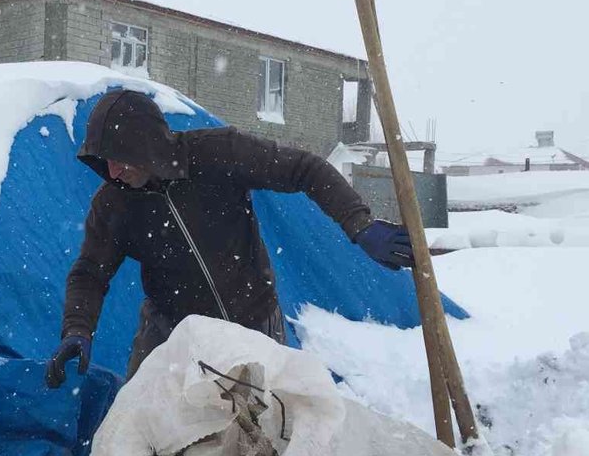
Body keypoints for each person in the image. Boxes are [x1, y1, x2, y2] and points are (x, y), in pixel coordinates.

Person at [45, 89, 414, 388]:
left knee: (264, 429)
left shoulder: (218, 155)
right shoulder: (114, 203)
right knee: (148, 431)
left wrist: (359, 224)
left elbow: (305, 169)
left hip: (252, 319)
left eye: (119, 158)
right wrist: (77, 330)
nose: (112, 171)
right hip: (171, 330)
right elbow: (90, 273)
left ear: (146, 145)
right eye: (104, 161)